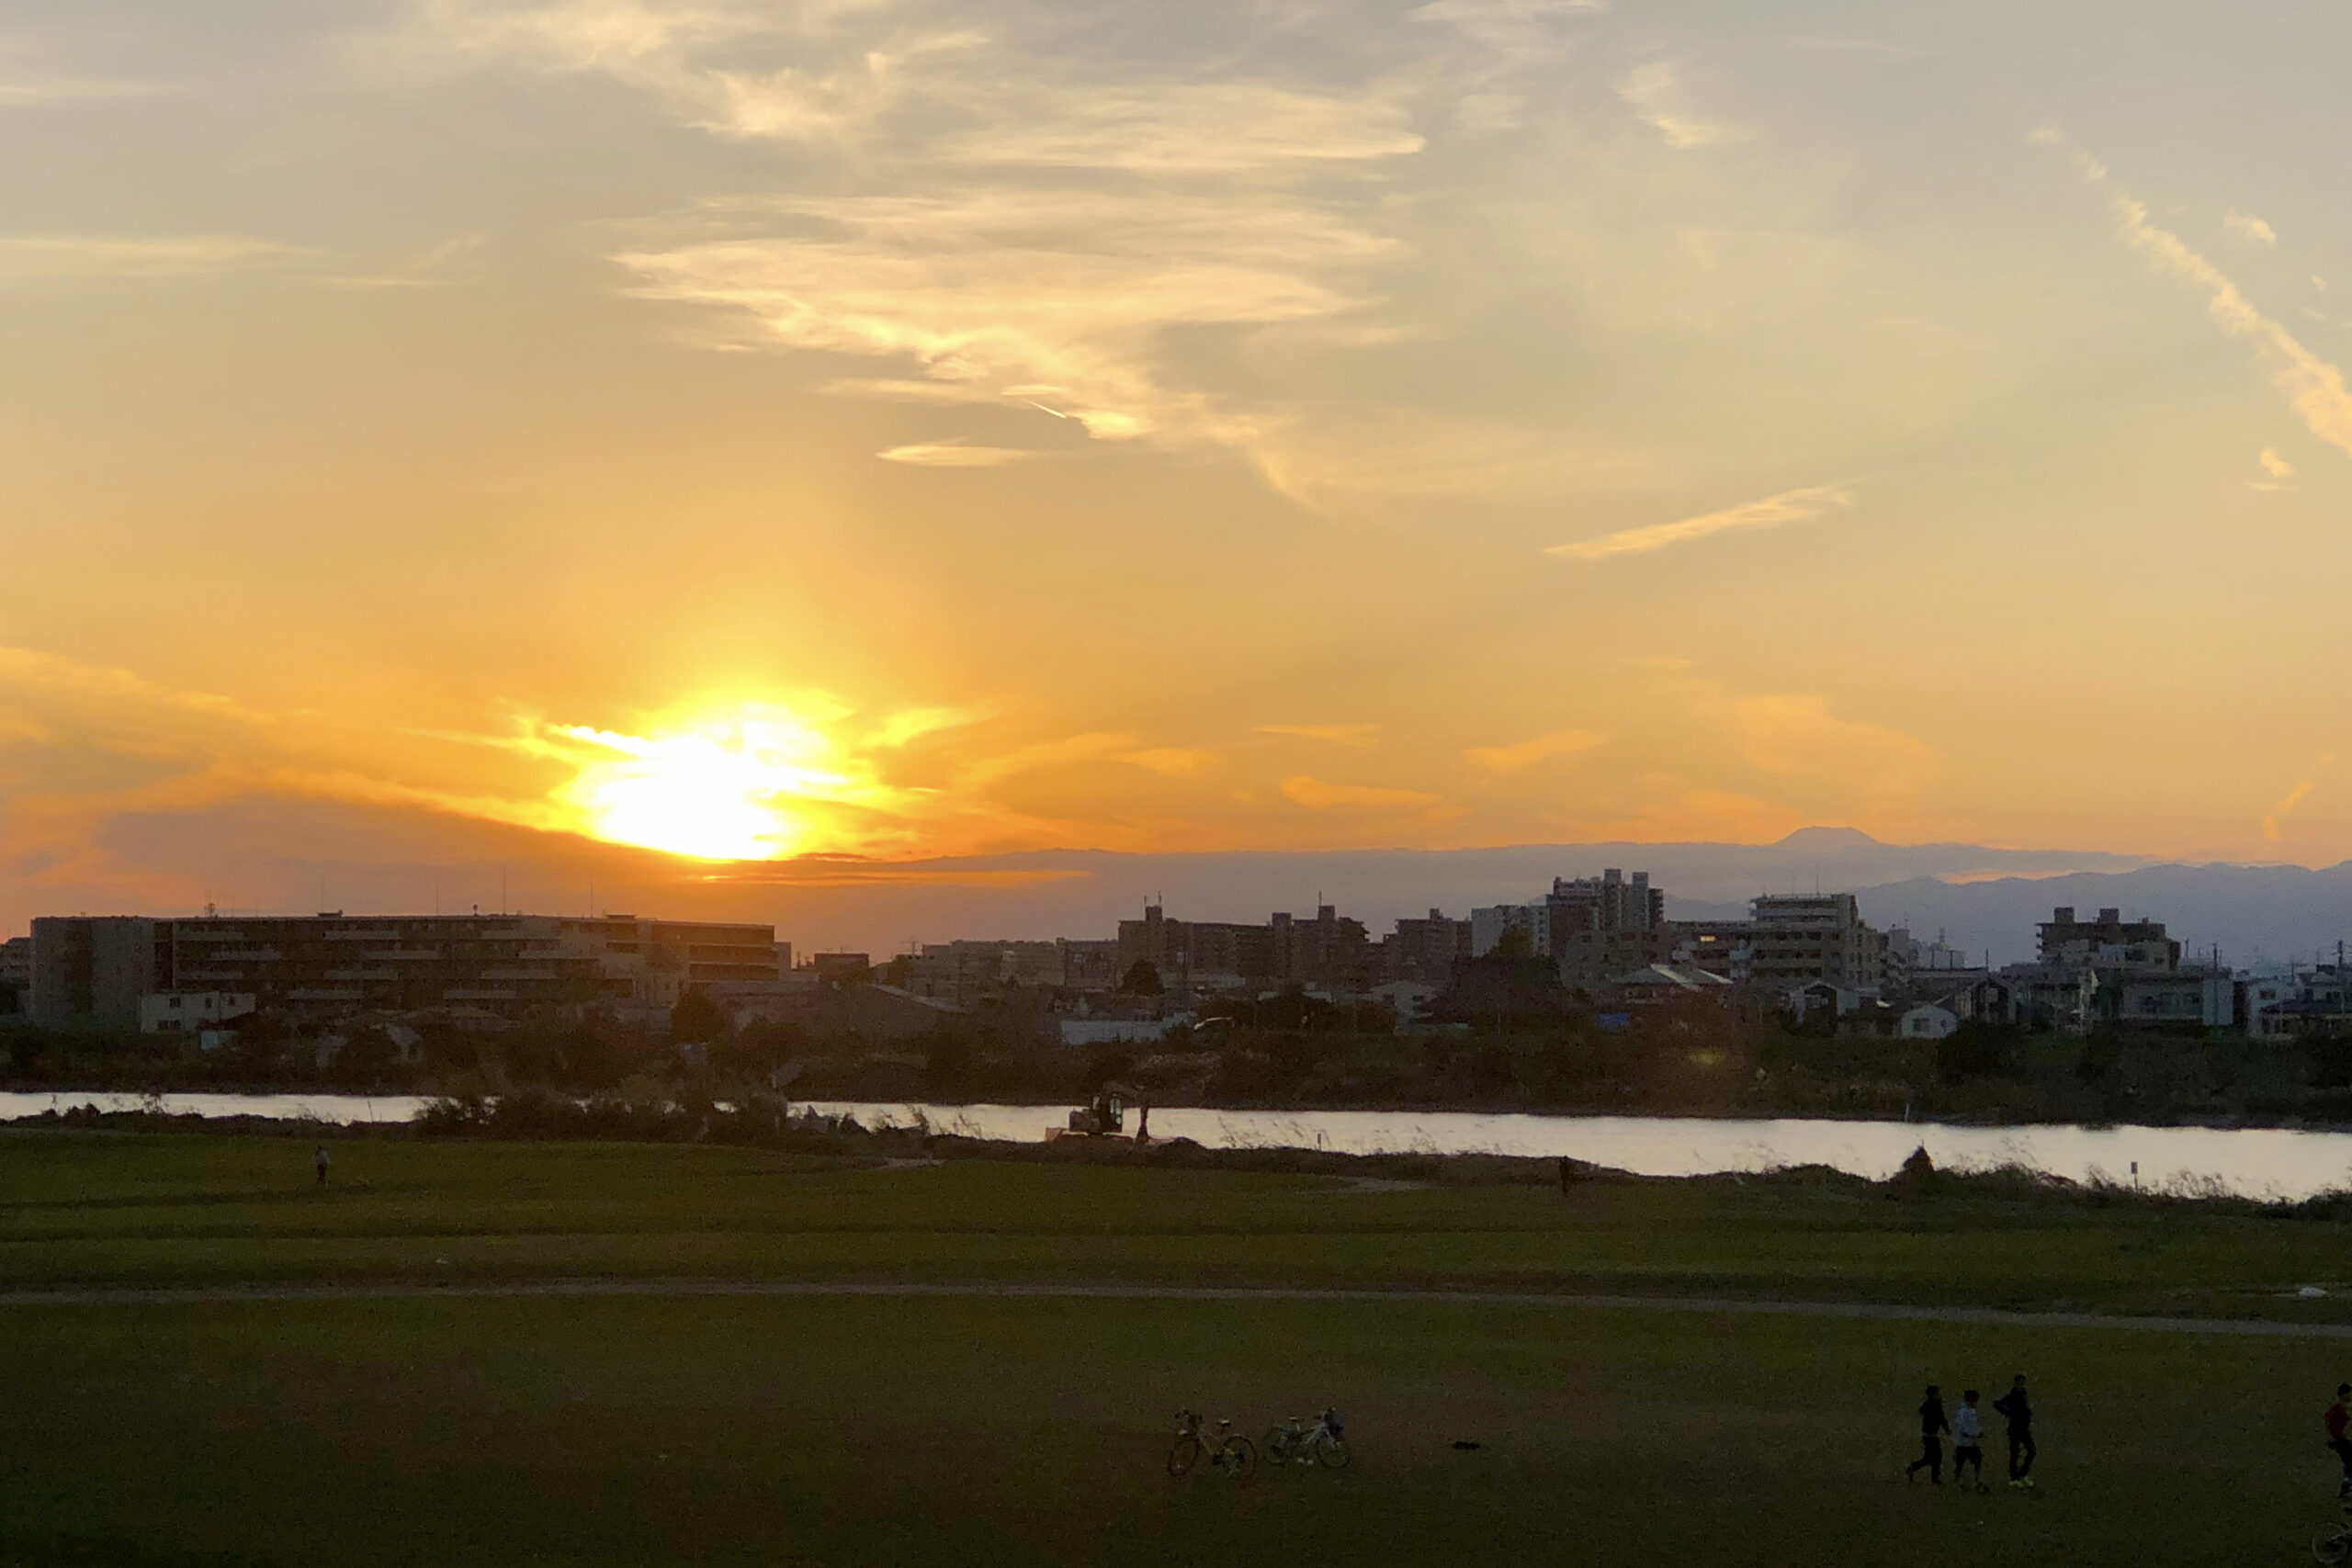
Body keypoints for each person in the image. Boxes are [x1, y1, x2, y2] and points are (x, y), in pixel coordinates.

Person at [1993, 1373, 2035, 1487]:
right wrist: (2009, 1413)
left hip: (2023, 1427)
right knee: (2015, 1453)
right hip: (2016, 1428)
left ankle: (2021, 1474)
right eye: (2021, 1381)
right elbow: (1998, 1404)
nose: (2023, 1383)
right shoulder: (2014, 1394)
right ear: (2017, 1382)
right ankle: (2015, 1477)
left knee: (2031, 1451)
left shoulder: (2023, 1393)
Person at [1905, 1384, 1949, 1485]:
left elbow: (1921, 1411)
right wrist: (1946, 1429)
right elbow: (1941, 1418)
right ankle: (1933, 1477)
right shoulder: (1936, 1405)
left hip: (1927, 1434)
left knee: (1931, 1457)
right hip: (1932, 1435)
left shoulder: (1928, 1404)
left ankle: (1915, 1469)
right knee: (1935, 1457)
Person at [1952, 1389, 1986, 1493]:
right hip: (1963, 1443)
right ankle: (1958, 1482)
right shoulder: (1963, 1412)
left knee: (1977, 1461)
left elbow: (1973, 1425)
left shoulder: (1971, 1410)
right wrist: (1975, 1433)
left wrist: (1978, 1431)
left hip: (1971, 1443)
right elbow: (1962, 1428)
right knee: (1960, 1463)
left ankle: (1975, 1481)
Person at [2325, 1383, 2352, 1496]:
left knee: (2348, 1463)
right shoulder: (2338, 1409)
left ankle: (2347, 1487)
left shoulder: (2336, 1408)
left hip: (2340, 1440)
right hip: (2341, 1440)